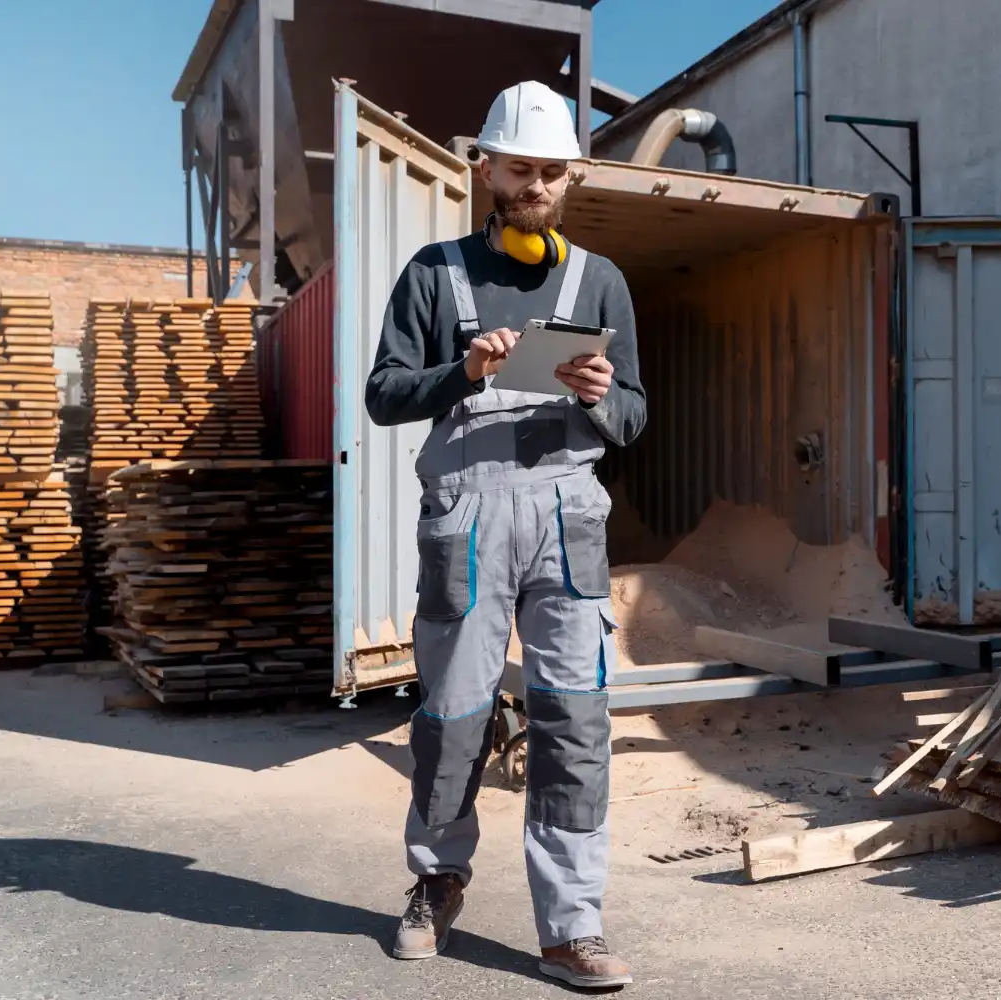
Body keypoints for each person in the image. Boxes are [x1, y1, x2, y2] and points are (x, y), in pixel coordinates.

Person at [364, 80, 647, 989]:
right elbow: (381, 395)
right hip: (469, 518)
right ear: (485, 167)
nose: (537, 186)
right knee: (452, 715)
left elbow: (636, 418)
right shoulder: (433, 274)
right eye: (521, 168)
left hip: (569, 516)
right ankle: (436, 881)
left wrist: (604, 400)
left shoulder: (599, 279)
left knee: (575, 719)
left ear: (570, 177)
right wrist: (460, 371)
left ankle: (572, 924)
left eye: (553, 172)